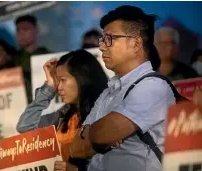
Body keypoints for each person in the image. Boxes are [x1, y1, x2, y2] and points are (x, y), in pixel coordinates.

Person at [69, 5, 176, 171]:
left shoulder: (153, 86)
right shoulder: (109, 91)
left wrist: (98, 135)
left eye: (110, 38)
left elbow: (103, 134)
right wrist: (105, 137)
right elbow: (76, 148)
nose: (102, 46)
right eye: (103, 39)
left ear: (136, 43)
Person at [16, 49, 108, 171]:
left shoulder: (106, 114)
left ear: (82, 78)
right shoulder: (62, 117)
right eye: (57, 81)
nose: (58, 87)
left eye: (63, 80)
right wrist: (49, 87)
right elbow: (25, 126)